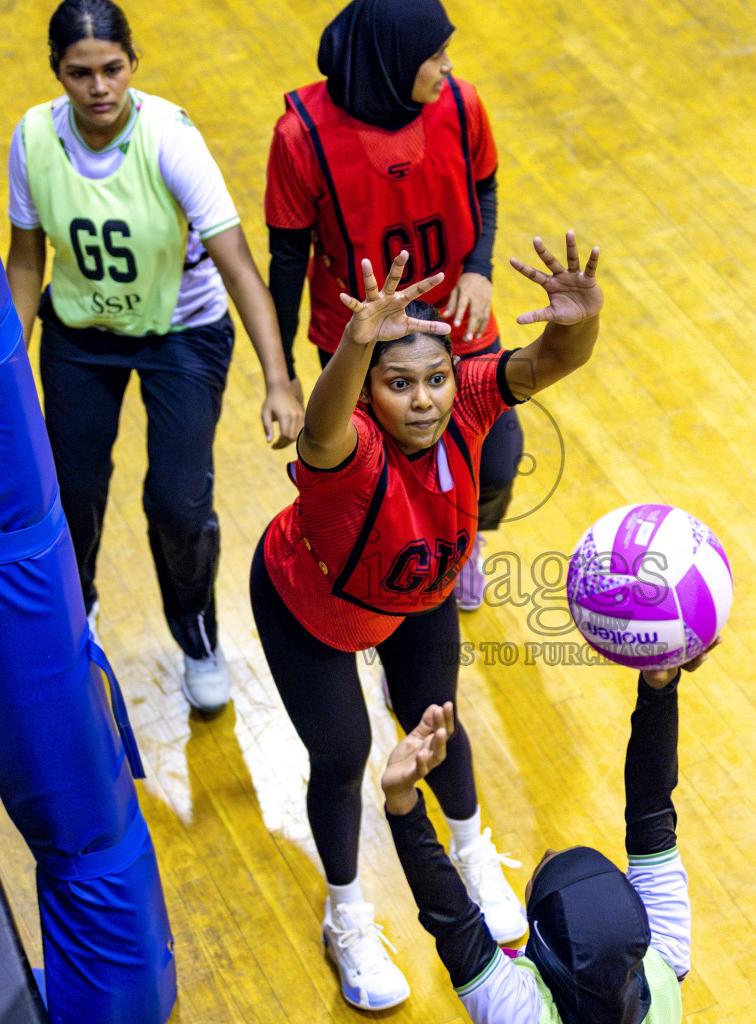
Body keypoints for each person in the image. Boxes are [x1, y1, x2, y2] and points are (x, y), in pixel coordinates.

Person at [249, 232, 603, 1010]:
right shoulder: (350, 456)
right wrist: (352, 346)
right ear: (370, 393)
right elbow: (318, 425)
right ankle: (346, 918)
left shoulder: (468, 405)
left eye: (435, 378)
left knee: (437, 723)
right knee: (342, 758)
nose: (424, 399)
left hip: (417, 590)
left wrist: (579, 320)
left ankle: (473, 854)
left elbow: (550, 360)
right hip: (310, 608)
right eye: (399, 383)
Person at [5, 0, 304, 713]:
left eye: (112, 69)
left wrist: (279, 379)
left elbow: (237, 267)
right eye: (80, 74)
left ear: (132, 65)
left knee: (177, 500)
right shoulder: (34, 138)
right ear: (58, 74)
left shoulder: (169, 139)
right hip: (81, 336)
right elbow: (25, 261)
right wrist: (9, 374)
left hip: (183, 335)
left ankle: (197, 635)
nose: (98, 87)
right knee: (70, 494)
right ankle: (79, 617)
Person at [265, 0, 522, 611]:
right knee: (380, 489)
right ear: (393, 62)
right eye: (434, 56)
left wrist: (480, 270)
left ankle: (465, 544)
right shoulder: (301, 136)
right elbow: (285, 259)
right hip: (362, 339)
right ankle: (381, 595)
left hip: (455, 321)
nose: (447, 67)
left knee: (502, 456)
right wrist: (284, 375)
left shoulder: (461, 104)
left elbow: (483, 184)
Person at [379, 647, 710, 1024]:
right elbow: (652, 812)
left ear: (543, 940)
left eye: (540, 874)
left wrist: (401, 800)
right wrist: (660, 686)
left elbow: (453, 921)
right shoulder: (661, 968)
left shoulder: (525, 1016)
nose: (549, 849)